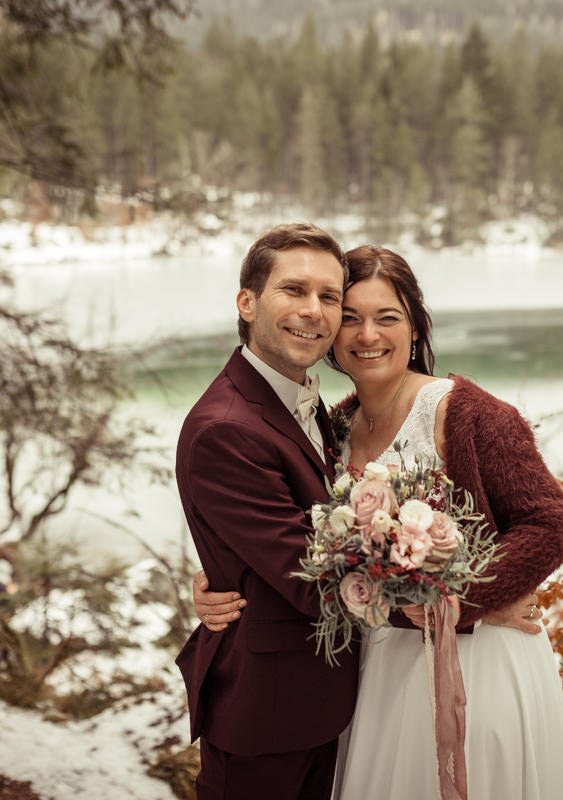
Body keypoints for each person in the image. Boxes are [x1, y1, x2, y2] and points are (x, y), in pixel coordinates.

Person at [194, 245, 563, 798]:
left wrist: (466, 598)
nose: (366, 335)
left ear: (416, 326)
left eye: (387, 318)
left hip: (474, 663)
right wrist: (222, 581)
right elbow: (291, 537)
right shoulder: (336, 424)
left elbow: (553, 525)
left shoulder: (469, 412)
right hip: (373, 670)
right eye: (349, 318)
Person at [174, 222, 359, 800]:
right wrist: (446, 579)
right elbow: (312, 579)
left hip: (315, 698)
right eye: (294, 290)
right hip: (265, 712)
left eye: (330, 297)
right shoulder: (226, 430)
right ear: (247, 301)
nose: (314, 310)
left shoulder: (300, 398)